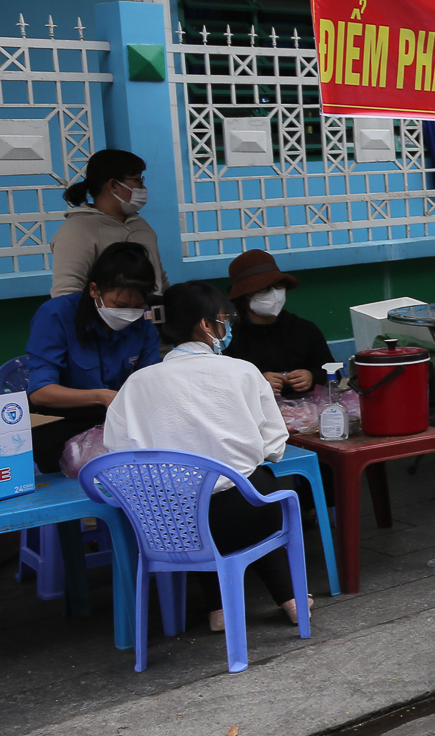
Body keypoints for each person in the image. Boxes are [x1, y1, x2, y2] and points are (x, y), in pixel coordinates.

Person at [102, 281, 306, 631]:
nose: (228, 327)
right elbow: (274, 447)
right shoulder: (242, 371)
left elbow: (119, 453)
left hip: (166, 526)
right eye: (224, 319)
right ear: (206, 325)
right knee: (254, 488)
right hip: (243, 515)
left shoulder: (136, 383)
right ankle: (290, 598)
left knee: (196, 496)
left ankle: (219, 609)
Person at [24, 242, 162, 470]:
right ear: (94, 290)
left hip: (117, 422)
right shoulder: (56, 315)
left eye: (138, 306)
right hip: (62, 423)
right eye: (120, 305)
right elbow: (40, 393)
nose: (129, 313)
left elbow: (151, 381)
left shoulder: (143, 323)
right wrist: (101, 396)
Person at [50, 149, 165, 298]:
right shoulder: (77, 230)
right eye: (137, 180)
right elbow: (66, 292)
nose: (142, 188)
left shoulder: (141, 225)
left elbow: (159, 280)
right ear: (113, 185)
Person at [224, 250, 334, 399]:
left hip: (304, 411)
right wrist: (256, 382)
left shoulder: (305, 329)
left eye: (278, 286)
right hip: (251, 413)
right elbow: (219, 383)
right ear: (243, 296)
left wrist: (312, 376)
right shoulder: (228, 335)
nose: (274, 294)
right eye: (264, 289)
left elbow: (334, 371)